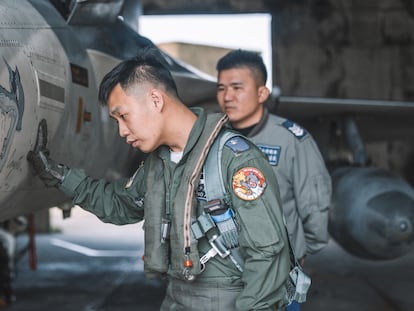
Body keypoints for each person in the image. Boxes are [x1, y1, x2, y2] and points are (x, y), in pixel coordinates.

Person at [27, 48, 292, 310]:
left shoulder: (235, 160)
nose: (121, 130)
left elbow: (268, 254)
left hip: (227, 300)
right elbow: (120, 205)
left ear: (155, 100)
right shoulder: (158, 164)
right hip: (176, 297)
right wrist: (59, 175)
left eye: (123, 115)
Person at [216, 49, 332, 310]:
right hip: (222, 276)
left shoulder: (291, 140)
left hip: (277, 274)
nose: (227, 97)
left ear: (261, 93)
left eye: (237, 87)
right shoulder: (212, 139)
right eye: (221, 88)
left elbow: (314, 204)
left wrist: (300, 252)